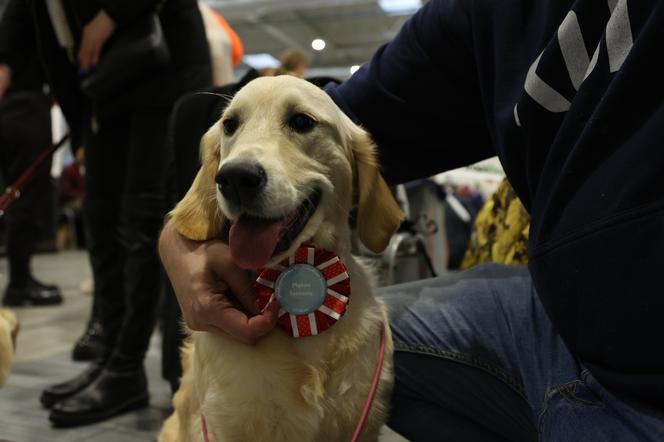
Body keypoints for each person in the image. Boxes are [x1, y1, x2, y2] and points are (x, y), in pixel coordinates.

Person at [159, 0, 664, 441]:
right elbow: (360, 109)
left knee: (365, 330)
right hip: (555, 314)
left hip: (645, 378)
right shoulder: (486, 11)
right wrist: (176, 237)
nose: (239, 167)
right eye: (231, 127)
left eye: (299, 125)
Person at [0, 0, 212, 427]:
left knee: (141, 222)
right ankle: (111, 356)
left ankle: (126, 366)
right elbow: (47, 39)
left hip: (161, 67)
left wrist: (113, 12)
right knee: (102, 220)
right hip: (103, 88)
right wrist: (80, 129)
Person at [0, 55, 62, 307]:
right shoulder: (19, 18)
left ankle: (20, 280)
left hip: (25, 105)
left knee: (22, 197)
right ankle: (18, 283)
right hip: (22, 108)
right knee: (22, 197)